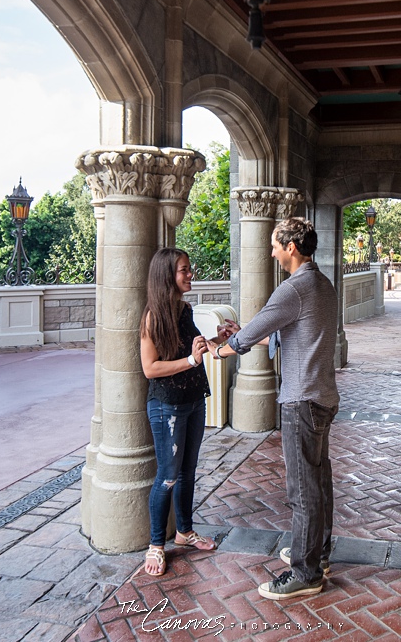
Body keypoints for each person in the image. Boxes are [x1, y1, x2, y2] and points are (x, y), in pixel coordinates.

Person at [211, 217, 339, 599]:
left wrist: (221, 349)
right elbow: (296, 338)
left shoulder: (293, 288)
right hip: (322, 397)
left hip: (301, 400)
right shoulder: (323, 284)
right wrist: (245, 337)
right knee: (319, 482)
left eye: (275, 245)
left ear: (292, 247)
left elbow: (252, 333)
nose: (270, 252)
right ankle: (319, 553)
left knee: (302, 489)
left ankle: (304, 572)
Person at [139, 248, 231, 576]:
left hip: (194, 398)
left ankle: (184, 531)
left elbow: (190, 347)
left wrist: (215, 338)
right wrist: (192, 361)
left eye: (189, 269)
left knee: (188, 472)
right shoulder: (152, 316)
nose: (190, 274)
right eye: (184, 270)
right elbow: (150, 368)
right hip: (167, 407)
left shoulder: (183, 308)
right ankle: (155, 545)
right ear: (168, 276)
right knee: (167, 476)